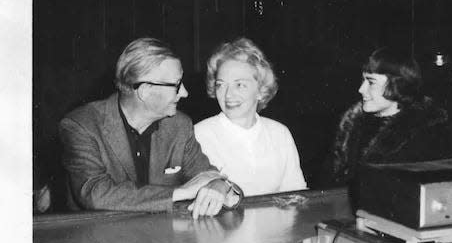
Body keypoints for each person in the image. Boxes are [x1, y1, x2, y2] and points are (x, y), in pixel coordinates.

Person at [59, 37, 241, 218]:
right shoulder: (81, 125)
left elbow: (207, 174)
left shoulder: (179, 125)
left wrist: (219, 185)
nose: (184, 93)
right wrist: (181, 192)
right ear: (145, 91)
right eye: (177, 85)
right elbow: (94, 194)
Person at [328, 47, 452, 206]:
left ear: (397, 84)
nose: (361, 89)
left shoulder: (429, 134)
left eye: (371, 82)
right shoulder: (352, 127)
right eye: (362, 80)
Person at [194, 38, 307, 196]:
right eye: (221, 84)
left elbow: (296, 195)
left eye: (239, 85)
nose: (228, 94)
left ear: (260, 90)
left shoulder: (279, 133)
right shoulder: (198, 135)